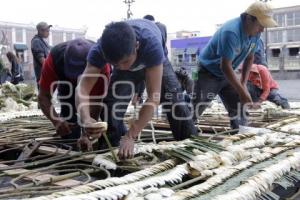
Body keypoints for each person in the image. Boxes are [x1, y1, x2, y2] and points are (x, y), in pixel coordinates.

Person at [76, 19, 197, 159]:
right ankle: (110, 154)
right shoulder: (100, 50)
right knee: (112, 104)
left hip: (155, 60)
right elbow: (82, 89)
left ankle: (190, 149)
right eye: (114, 63)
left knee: (174, 99)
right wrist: (85, 119)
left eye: (125, 62)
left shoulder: (151, 46)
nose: (121, 67)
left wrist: (131, 135)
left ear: (137, 46)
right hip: (130, 54)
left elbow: (153, 97)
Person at [193, 1, 277, 130]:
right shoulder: (231, 32)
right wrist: (242, 91)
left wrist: (243, 83)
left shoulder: (256, 33)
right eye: (260, 25)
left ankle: (240, 133)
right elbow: (224, 65)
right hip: (208, 72)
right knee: (198, 105)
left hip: (228, 72)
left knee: (239, 107)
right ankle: (184, 135)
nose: (262, 29)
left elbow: (250, 57)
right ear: (249, 19)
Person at [38, 39, 110, 149]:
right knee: (68, 129)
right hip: (66, 86)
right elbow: (43, 96)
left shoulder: (100, 64)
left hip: (92, 83)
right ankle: (70, 145)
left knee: (108, 117)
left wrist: (87, 132)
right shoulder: (54, 59)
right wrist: (56, 121)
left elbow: (96, 101)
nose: (76, 80)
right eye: (73, 75)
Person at [31, 22, 51, 86]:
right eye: (47, 31)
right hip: (43, 76)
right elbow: (42, 61)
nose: (48, 33)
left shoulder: (42, 41)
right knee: (44, 95)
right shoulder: (36, 41)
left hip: (46, 75)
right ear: (40, 31)